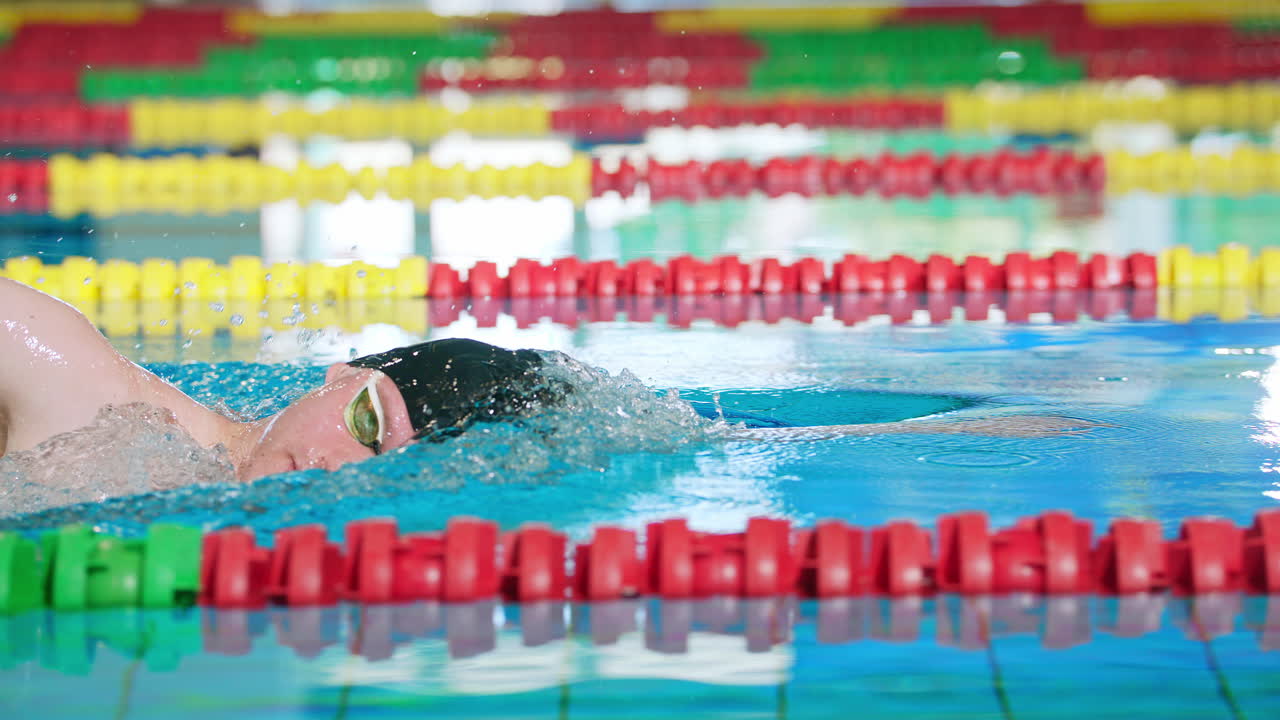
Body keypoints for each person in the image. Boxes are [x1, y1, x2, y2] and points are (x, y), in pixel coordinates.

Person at [0, 276, 1098, 484]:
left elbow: (685, 437)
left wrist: (866, 444)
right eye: (365, 418)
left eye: (380, 463)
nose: (331, 466)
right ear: (336, 375)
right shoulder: (88, 390)